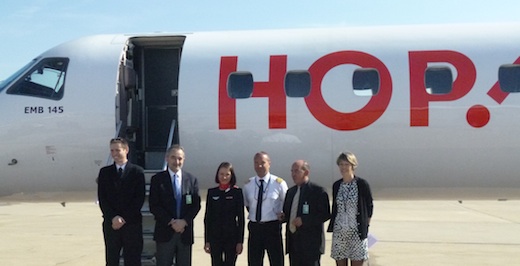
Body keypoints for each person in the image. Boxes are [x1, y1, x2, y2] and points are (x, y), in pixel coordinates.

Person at [149, 145, 201, 266]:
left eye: (180, 158)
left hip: (185, 233)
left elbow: (196, 205)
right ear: (167, 158)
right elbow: (154, 205)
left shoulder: (191, 180)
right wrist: (171, 222)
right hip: (165, 232)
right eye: (173, 158)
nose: (176, 161)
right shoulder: (157, 179)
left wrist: (184, 221)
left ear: (184, 159)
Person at [97, 137, 146, 266]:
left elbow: (138, 199)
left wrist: (123, 218)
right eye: (112, 151)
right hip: (111, 225)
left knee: (133, 259)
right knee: (112, 260)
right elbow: (103, 199)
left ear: (126, 150)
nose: (114, 154)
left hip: (131, 224)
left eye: (117, 150)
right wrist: (113, 217)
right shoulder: (104, 173)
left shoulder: (137, 172)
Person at [328, 151, 373, 266]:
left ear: (353, 166)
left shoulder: (362, 184)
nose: (343, 167)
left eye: (346, 164)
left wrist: (365, 226)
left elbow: (369, 207)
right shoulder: (337, 185)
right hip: (340, 233)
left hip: (356, 233)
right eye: (341, 164)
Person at [281, 160, 331, 266]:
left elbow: (325, 214)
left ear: (306, 172)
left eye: (296, 171)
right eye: (292, 171)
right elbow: (288, 214)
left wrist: (304, 221)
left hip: (310, 245)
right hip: (294, 244)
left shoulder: (318, 191)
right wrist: (283, 217)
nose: (293, 174)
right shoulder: (291, 192)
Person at [243, 151, 288, 266]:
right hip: (255, 228)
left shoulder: (279, 183)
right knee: (254, 262)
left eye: (262, 163)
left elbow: (287, 203)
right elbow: (248, 205)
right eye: (256, 163)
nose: (259, 166)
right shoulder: (248, 185)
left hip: (272, 228)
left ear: (269, 163)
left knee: (276, 261)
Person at [204, 162, 245, 266]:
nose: (224, 177)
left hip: (232, 237)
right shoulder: (212, 192)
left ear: (232, 176)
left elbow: (241, 218)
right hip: (215, 237)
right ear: (217, 175)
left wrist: (240, 241)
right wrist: (207, 240)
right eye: (221, 174)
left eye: (227, 174)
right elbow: (208, 218)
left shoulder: (237, 193)